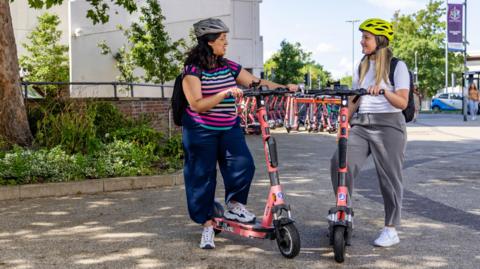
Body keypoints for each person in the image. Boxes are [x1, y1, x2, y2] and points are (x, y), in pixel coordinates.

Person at [181, 18, 298, 249]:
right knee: (202, 178)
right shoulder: (191, 70)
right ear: (209, 41)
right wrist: (225, 93)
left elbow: (256, 82)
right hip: (200, 131)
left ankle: (234, 205)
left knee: (243, 165)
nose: (226, 44)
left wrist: (284, 87)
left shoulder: (229, 66)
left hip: (228, 128)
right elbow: (196, 104)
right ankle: (207, 225)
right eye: (222, 39)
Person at [330, 18, 410, 247]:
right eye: (362, 36)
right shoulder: (362, 66)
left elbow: (403, 102)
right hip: (362, 125)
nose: (362, 41)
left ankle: (391, 229)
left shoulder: (398, 66)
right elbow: (354, 101)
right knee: (339, 163)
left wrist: (383, 91)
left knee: (390, 178)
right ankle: (344, 214)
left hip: (389, 125)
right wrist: (343, 125)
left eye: (366, 37)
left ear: (380, 40)